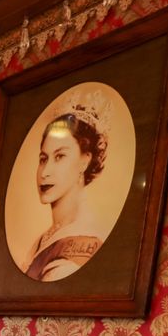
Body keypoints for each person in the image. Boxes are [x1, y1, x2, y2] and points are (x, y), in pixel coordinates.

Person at [21, 103, 108, 282]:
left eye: (60, 156)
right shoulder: (44, 238)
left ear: (85, 161)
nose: (45, 172)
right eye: (43, 159)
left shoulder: (84, 238)